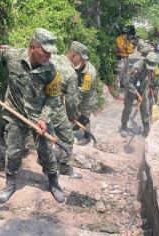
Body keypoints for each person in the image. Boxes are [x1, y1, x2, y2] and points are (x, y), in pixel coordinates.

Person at [0, 28, 66, 204]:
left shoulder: (50, 70)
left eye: (51, 53)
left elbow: (54, 98)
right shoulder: (12, 56)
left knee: (46, 152)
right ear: (34, 47)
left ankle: (54, 182)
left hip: (38, 117)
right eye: (46, 52)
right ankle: (10, 183)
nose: (49, 57)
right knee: (13, 152)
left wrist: (43, 118)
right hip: (14, 113)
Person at [49, 41, 88, 179]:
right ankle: (64, 168)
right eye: (81, 58)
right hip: (52, 106)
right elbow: (71, 101)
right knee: (67, 136)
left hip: (36, 103)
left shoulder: (51, 58)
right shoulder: (71, 73)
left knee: (47, 133)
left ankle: (47, 159)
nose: (81, 62)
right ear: (73, 55)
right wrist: (72, 116)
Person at [119, 51, 157, 138]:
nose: (150, 68)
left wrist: (152, 78)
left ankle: (146, 130)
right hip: (131, 89)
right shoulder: (137, 67)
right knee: (128, 109)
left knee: (145, 109)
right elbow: (127, 82)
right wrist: (137, 94)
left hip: (142, 89)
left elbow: (152, 79)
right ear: (146, 61)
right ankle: (123, 127)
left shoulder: (153, 66)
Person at [75, 56, 97, 146]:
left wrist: (73, 100)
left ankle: (87, 137)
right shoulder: (79, 65)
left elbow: (83, 90)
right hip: (79, 94)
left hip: (87, 99)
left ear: (84, 61)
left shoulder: (90, 73)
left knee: (84, 118)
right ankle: (77, 125)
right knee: (77, 114)